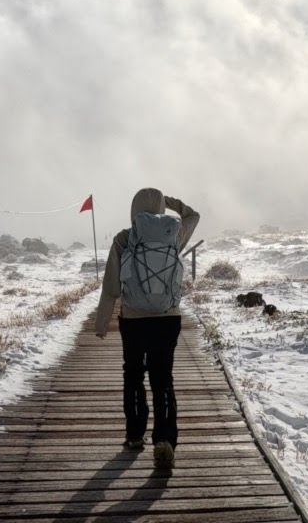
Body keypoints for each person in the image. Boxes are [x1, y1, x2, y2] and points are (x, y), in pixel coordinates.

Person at [94, 188, 199, 470]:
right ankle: (164, 440)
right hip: (167, 319)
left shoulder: (124, 238)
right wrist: (172, 202)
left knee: (133, 374)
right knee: (163, 378)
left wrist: (102, 322)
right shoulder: (174, 233)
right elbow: (194, 215)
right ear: (161, 208)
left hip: (134, 320)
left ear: (134, 208)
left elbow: (112, 286)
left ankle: (134, 435)